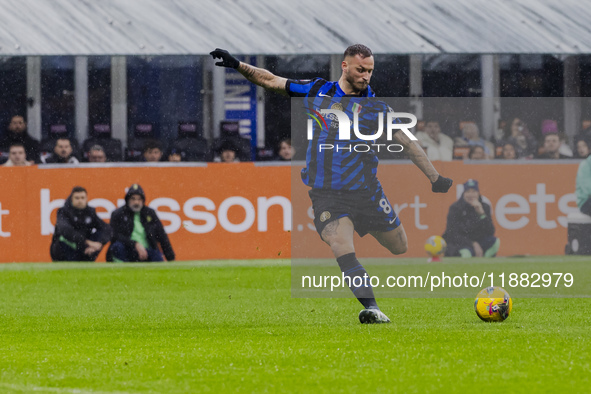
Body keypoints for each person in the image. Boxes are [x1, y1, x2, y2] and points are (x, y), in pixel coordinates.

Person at [211, 44, 453, 324]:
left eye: (370, 71)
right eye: (361, 70)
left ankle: (371, 292)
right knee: (340, 243)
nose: (366, 76)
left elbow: (408, 143)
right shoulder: (317, 91)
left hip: (367, 192)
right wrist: (238, 65)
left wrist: (435, 177)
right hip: (327, 194)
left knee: (400, 246)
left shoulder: (375, 108)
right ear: (345, 66)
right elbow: (271, 80)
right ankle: (372, 308)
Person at [107, 184, 175, 263]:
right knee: (117, 247)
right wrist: (134, 244)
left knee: (158, 260)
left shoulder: (149, 213)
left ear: (143, 200)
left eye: (139, 199)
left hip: (148, 250)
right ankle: (122, 269)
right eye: (133, 199)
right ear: (127, 199)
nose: (136, 202)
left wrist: (170, 257)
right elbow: (114, 235)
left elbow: (161, 235)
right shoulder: (118, 214)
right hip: (127, 249)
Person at [50, 186, 112, 261]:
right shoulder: (64, 211)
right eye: (77, 198)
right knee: (62, 238)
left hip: (84, 249)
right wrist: (87, 242)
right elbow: (65, 230)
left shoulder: (90, 212)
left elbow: (107, 228)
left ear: (86, 199)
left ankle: (87, 256)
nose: (80, 201)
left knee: (101, 233)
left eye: (82, 198)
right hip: (66, 249)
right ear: (71, 199)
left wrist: (99, 244)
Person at [442, 179, 500, 258]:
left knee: (495, 242)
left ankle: (485, 264)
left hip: (478, 241)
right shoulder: (455, 208)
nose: (471, 195)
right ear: (463, 193)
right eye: (468, 191)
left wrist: (481, 214)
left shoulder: (484, 207)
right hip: (460, 243)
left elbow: (490, 231)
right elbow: (452, 234)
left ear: (478, 193)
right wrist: (473, 244)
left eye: (473, 191)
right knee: (466, 253)